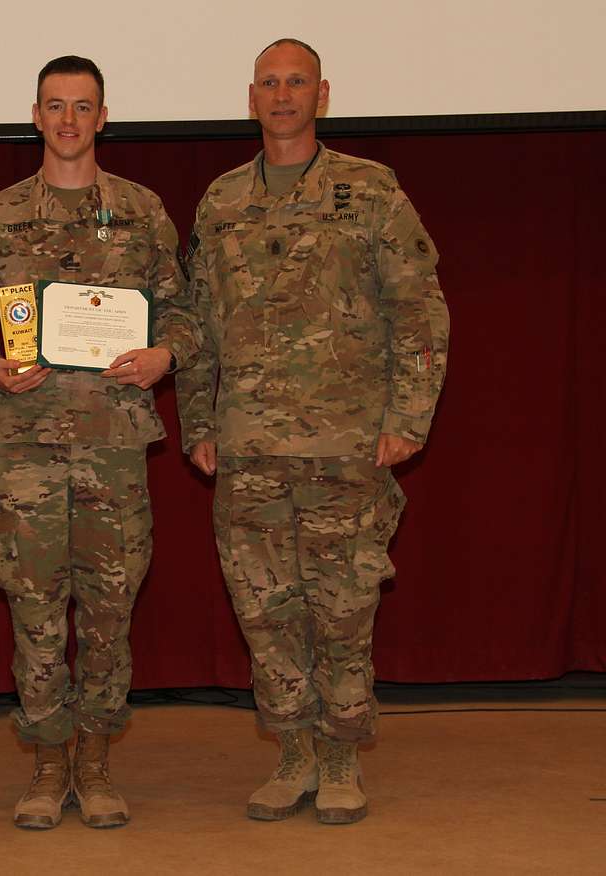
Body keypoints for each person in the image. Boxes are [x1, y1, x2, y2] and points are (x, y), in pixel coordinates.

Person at [177, 38, 449, 824]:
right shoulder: (222, 200)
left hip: (346, 444)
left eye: (298, 82)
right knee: (264, 611)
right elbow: (197, 323)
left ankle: (340, 758)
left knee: (341, 608)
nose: (284, 95)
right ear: (251, 97)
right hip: (248, 448)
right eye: (270, 83)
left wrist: (408, 418)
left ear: (321, 95)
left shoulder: (370, 192)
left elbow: (420, 308)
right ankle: (291, 753)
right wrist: (198, 421)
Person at [0, 56, 200, 830]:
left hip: (114, 448)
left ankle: (94, 762)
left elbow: (187, 318)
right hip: (25, 450)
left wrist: (165, 356)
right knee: (33, 614)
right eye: (55, 106)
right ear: (35, 114)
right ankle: (46, 761)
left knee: (106, 613)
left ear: (102, 117)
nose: (68, 120)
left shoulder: (141, 211)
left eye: (82, 106)